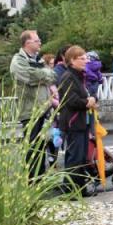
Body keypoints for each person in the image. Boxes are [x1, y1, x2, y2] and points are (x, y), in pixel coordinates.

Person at [10, 30, 56, 179]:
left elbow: (52, 75)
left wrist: (42, 75)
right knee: (32, 148)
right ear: (27, 43)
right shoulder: (18, 60)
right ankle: (32, 182)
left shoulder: (39, 60)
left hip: (44, 109)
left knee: (42, 147)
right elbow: (28, 76)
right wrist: (43, 75)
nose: (40, 43)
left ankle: (40, 179)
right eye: (37, 40)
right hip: (29, 111)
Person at [56, 46, 97, 195]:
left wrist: (92, 99)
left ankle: (79, 188)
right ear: (72, 60)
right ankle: (72, 190)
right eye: (82, 58)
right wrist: (88, 102)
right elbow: (71, 100)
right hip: (73, 122)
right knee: (74, 157)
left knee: (81, 157)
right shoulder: (68, 77)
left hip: (82, 121)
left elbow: (90, 93)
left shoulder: (81, 76)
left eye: (85, 57)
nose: (86, 61)